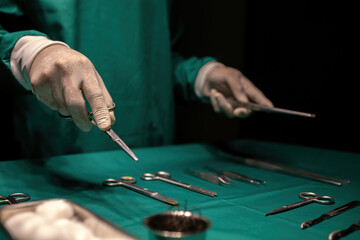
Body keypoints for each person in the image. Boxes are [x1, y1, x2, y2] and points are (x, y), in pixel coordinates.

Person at [0, 0, 272, 158]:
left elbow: (152, 55)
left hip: (156, 150)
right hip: (62, 154)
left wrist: (200, 76)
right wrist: (31, 52)